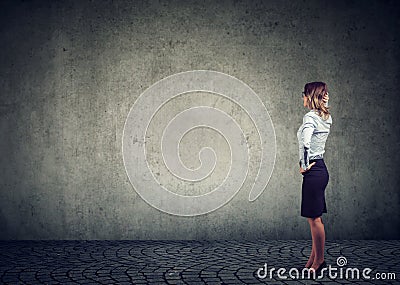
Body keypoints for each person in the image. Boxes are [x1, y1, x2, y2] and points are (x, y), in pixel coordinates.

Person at [297, 82, 332, 275]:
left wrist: (303, 165)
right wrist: (325, 100)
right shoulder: (325, 117)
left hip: (313, 171)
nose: (302, 98)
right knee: (314, 218)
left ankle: (319, 261)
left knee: (315, 219)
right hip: (321, 170)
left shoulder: (310, 117)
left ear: (310, 96)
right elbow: (324, 111)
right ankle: (313, 259)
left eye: (304, 95)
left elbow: (305, 142)